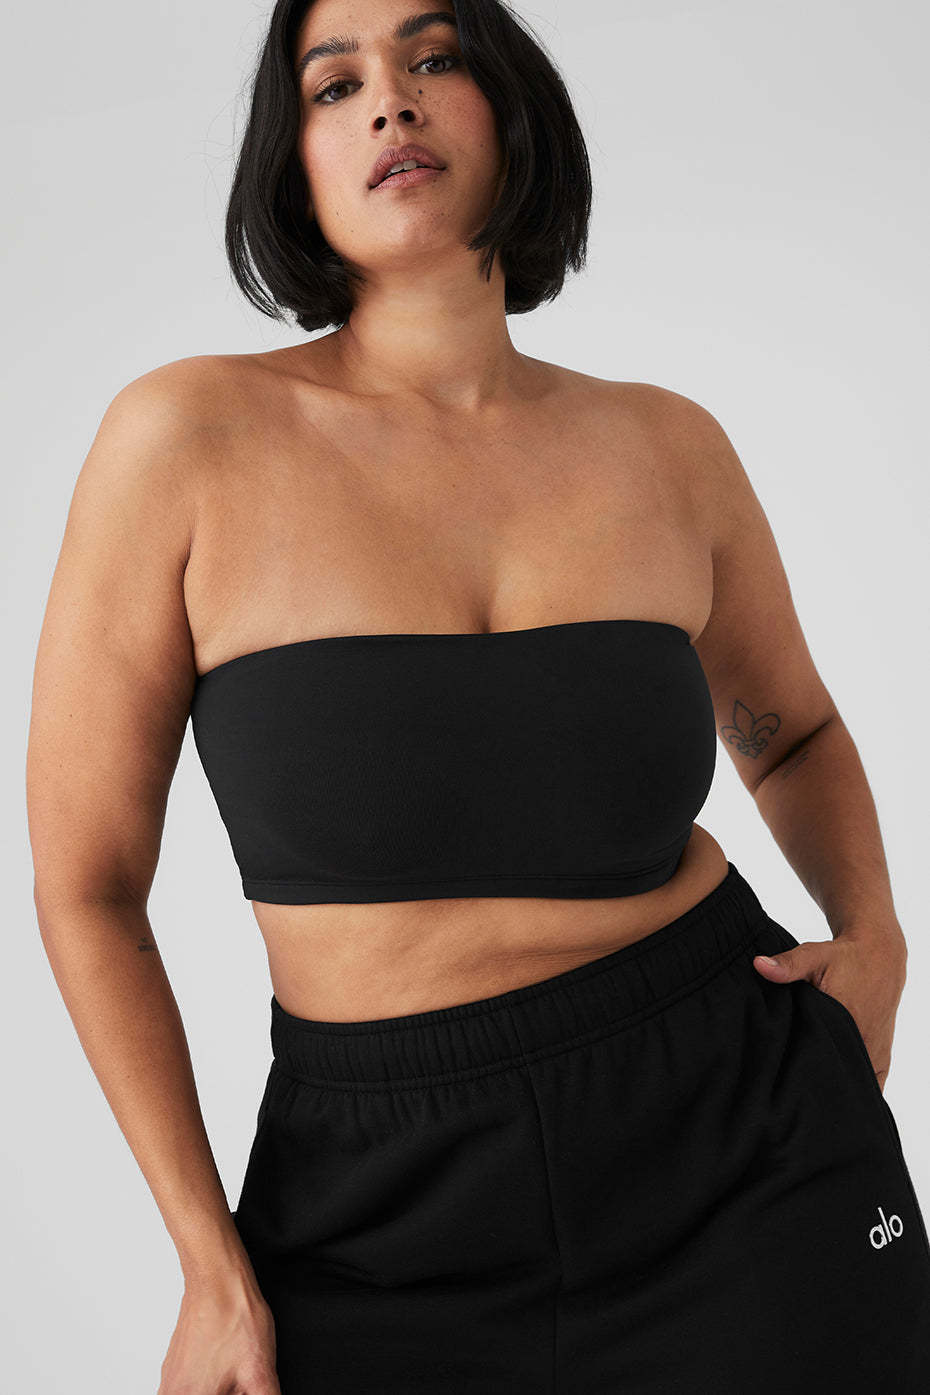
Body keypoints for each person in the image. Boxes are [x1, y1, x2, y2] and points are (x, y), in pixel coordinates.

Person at [26, 0, 930, 1390]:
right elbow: (87, 885)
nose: (391, 100)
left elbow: (792, 729)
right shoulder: (185, 441)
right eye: (335, 85)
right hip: (378, 1201)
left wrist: (874, 939)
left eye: (434, 58)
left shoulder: (666, 447)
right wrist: (209, 1268)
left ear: (508, 109)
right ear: (292, 162)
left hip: (740, 1134)